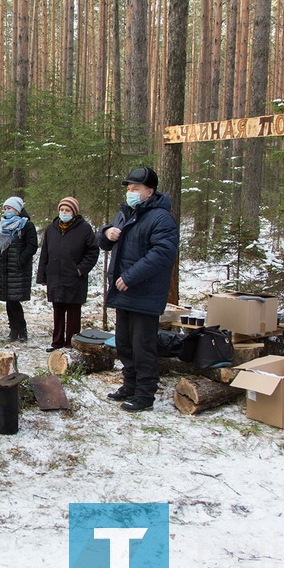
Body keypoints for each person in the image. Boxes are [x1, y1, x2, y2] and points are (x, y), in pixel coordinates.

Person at [98, 167, 179, 413]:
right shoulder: (125, 213)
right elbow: (103, 244)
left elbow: (162, 253)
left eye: (135, 189)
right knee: (124, 343)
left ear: (150, 191)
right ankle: (129, 385)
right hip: (124, 291)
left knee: (143, 346)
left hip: (143, 292)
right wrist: (106, 233)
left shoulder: (161, 218)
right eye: (128, 188)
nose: (130, 193)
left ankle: (145, 395)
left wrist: (131, 277)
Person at [36, 196, 99, 351]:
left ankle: (71, 343)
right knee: (58, 312)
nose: (64, 212)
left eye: (67, 210)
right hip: (55, 276)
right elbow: (45, 253)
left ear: (74, 212)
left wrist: (80, 269)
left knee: (73, 313)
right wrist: (42, 275)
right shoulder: (52, 228)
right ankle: (57, 342)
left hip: (74, 278)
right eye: (62, 209)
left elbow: (93, 251)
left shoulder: (84, 228)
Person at [0, 196, 38, 342]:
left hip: (18, 270)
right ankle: (13, 329)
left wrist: (20, 260)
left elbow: (32, 246)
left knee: (14, 300)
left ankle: (21, 329)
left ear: (17, 210)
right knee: (8, 300)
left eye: (9, 208)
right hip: (4, 269)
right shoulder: (3, 225)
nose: (7, 211)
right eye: (5, 209)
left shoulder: (26, 225)